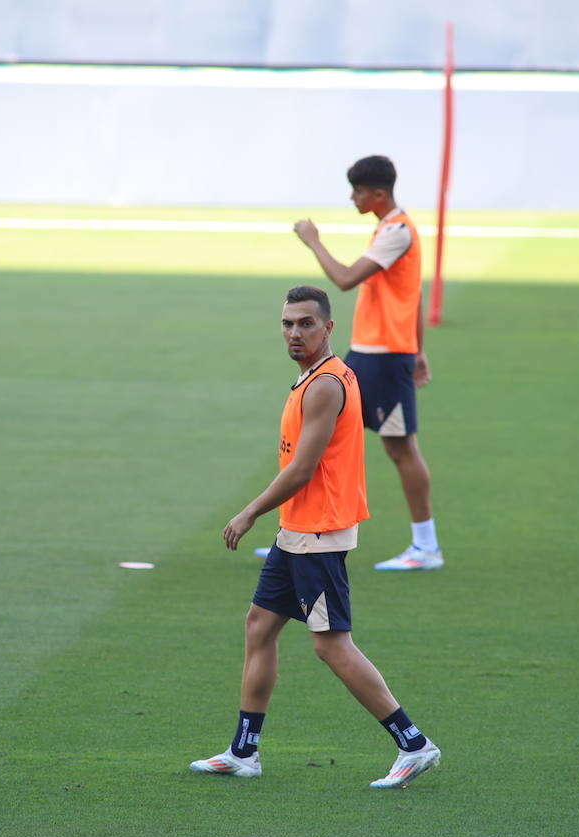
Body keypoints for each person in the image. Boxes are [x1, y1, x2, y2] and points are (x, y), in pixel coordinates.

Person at [189, 285, 441, 788]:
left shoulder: (326, 385)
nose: (294, 333)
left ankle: (413, 743)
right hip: (298, 532)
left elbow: (303, 469)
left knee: (331, 646)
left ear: (329, 328)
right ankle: (244, 751)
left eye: (306, 323)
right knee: (259, 626)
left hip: (318, 533)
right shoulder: (315, 377)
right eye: (287, 323)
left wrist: (249, 512)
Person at [289, 154, 444, 571]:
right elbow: (411, 296)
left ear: (377, 194)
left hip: (383, 357)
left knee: (400, 449)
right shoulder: (391, 229)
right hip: (374, 354)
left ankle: (426, 547)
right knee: (323, 438)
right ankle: (302, 534)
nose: (352, 197)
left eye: (357, 191)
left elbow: (343, 280)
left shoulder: (395, 232)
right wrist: (420, 350)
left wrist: (313, 240)